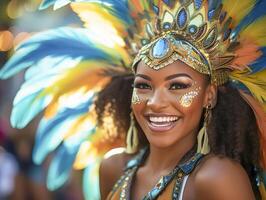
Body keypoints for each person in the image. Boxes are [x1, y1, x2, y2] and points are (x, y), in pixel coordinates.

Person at [0, 0, 265, 199]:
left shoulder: (216, 177)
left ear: (209, 95)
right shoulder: (114, 166)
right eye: (144, 86)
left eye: (178, 86)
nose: (155, 102)